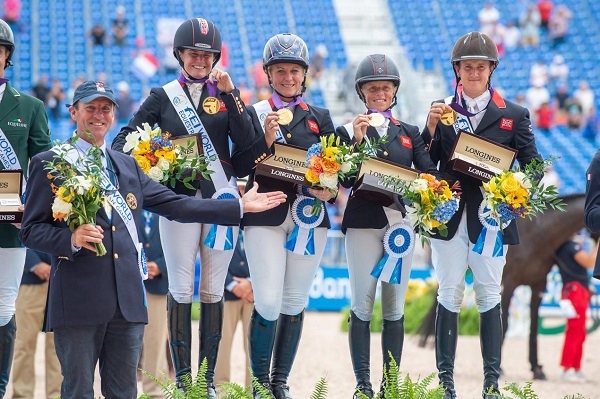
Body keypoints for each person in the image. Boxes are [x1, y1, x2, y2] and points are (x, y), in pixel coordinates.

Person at [19, 80, 286, 399]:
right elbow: (31, 230)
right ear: (73, 111)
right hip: (78, 300)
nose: (98, 115)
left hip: (127, 304)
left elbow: (178, 205)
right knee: (77, 391)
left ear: (114, 116)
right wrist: (72, 238)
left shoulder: (127, 165)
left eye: (105, 108)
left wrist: (237, 205)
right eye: (90, 107)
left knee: (124, 393)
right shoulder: (51, 163)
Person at [111, 18, 257, 398]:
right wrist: (152, 158)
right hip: (178, 204)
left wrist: (233, 96)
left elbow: (248, 152)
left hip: (222, 201)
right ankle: (183, 381)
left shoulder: (225, 94)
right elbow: (123, 141)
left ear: (215, 59)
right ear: (180, 55)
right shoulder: (162, 96)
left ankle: (205, 383)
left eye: (206, 54)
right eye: (193, 53)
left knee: (211, 290)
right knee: (179, 287)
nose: (199, 60)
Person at [422, 32, 542, 399]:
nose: (473, 72)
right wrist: (428, 130)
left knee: (490, 294)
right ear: (457, 70)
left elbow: (534, 165)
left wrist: (515, 190)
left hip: (492, 218)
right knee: (449, 292)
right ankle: (446, 384)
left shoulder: (514, 114)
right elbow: (425, 162)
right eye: (467, 66)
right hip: (449, 215)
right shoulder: (441, 110)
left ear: (491, 70)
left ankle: (491, 384)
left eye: (480, 66)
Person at [230, 33, 336, 399]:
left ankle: (280, 383)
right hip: (265, 215)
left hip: (309, 217)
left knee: (294, 302)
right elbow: (240, 165)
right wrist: (264, 139)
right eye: (280, 71)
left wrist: (330, 190)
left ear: (304, 75)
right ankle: (259, 386)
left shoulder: (320, 118)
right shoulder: (254, 113)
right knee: (269, 301)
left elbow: (335, 173)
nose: (288, 77)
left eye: (294, 70)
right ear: (268, 74)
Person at [336, 54, 439, 398]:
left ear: (394, 91)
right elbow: (346, 178)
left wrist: (434, 138)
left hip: (400, 228)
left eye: (385, 87)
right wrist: (355, 140)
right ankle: (363, 385)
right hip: (363, 223)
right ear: (362, 93)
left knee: (394, 307)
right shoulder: (348, 130)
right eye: (372, 88)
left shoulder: (409, 133)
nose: (379, 93)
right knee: (362, 305)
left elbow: (427, 172)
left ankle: (390, 384)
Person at [0, 18, 52, 397]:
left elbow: (43, 167)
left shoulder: (30, 107)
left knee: (3, 308)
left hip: (6, 217)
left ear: (7, 57)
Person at [214, 179, 253, 389]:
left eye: (243, 187)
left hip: (253, 293)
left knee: (254, 347)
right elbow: (211, 251)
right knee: (222, 343)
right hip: (227, 291)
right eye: (237, 187)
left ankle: (252, 389)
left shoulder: (261, 219)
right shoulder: (222, 216)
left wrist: (252, 283)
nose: (240, 191)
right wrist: (231, 284)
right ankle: (221, 389)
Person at [11, 249, 62, 399]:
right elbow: (15, 228)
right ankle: (22, 395)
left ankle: (56, 395)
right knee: (24, 343)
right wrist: (34, 264)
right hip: (29, 280)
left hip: (62, 278)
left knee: (58, 345)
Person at [556, 235, 597, 383]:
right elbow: (589, 262)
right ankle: (567, 368)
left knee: (579, 331)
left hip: (577, 290)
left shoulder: (566, 246)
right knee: (575, 330)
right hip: (575, 292)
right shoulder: (569, 246)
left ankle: (576, 367)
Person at [139, 210, 170, 398]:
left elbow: (179, 245)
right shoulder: (129, 204)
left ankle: (153, 391)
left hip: (157, 284)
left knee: (155, 339)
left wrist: (160, 266)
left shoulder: (164, 211)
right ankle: (161, 388)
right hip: (130, 281)